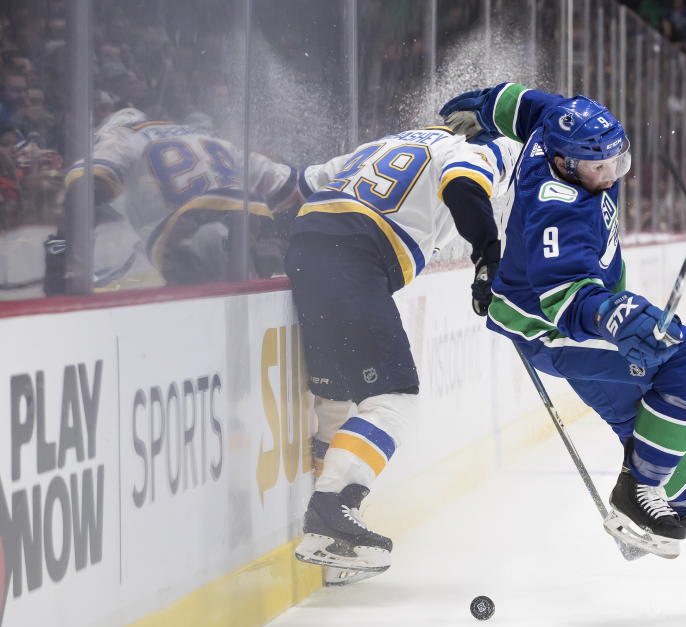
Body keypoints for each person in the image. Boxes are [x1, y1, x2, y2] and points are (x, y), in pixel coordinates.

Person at [439, 83, 686, 563]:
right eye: (598, 167)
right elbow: (567, 301)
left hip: (548, 316)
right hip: (556, 330)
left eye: (617, 160)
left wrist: (485, 105)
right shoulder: (558, 210)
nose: (611, 173)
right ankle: (635, 498)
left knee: (645, 425)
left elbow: (525, 104)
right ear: (564, 164)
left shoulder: (558, 128)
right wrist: (617, 319)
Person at [289, 125, 516, 582]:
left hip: (306, 241)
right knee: (396, 396)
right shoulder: (463, 150)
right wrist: (488, 255)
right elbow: (464, 187)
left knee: (336, 400)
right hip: (353, 252)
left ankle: (333, 552)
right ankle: (331, 513)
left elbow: (304, 182)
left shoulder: (384, 144)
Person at [45, 108, 299, 292]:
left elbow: (89, 183)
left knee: (182, 302)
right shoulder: (206, 137)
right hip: (245, 216)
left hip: (188, 223)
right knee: (245, 294)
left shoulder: (123, 135)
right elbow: (285, 182)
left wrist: (65, 249)